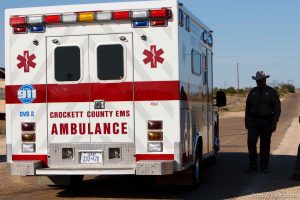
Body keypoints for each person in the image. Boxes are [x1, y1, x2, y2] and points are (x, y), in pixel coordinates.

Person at [245, 71, 281, 173]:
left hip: (267, 122)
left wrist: (275, 123)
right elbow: (247, 106)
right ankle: (253, 166)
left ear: (265, 80)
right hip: (253, 121)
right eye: (257, 81)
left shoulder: (271, 92)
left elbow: (277, 109)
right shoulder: (253, 92)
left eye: (260, 81)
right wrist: (246, 120)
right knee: (251, 143)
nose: (258, 83)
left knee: (265, 144)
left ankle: (264, 166)